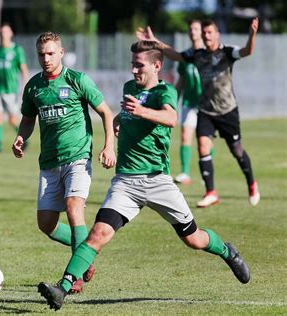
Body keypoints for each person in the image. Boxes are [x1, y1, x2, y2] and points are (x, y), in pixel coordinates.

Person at [37, 41, 250, 311]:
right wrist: (116, 126)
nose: (134, 69)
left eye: (139, 64)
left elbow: (171, 118)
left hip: (158, 181)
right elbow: (124, 116)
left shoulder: (165, 91)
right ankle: (63, 288)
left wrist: (141, 111)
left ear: (157, 66)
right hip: (125, 182)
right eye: (132, 64)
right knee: (98, 233)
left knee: (193, 239)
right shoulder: (129, 89)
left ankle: (226, 250)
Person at [12, 32, 116, 293]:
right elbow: (27, 119)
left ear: (61, 52)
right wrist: (21, 138)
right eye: (41, 54)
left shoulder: (78, 80)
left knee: (73, 208)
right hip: (48, 163)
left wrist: (108, 145)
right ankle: (84, 252)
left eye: (50, 53)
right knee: (46, 224)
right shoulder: (34, 86)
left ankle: (76, 275)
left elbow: (105, 112)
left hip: (77, 157)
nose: (45, 59)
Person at [136, 18, 260, 208]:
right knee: (203, 147)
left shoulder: (227, 52)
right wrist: (155, 43)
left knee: (237, 151)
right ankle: (211, 192)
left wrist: (252, 35)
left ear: (217, 34)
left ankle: (251, 183)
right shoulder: (197, 54)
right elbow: (175, 55)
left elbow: (247, 51)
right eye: (204, 33)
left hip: (227, 111)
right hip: (206, 110)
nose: (206, 36)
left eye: (210, 32)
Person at [173, 20, 203, 185]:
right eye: (190, 28)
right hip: (188, 103)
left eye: (196, 29)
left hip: (205, 104)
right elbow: (181, 81)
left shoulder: (207, 54)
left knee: (204, 140)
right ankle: (185, 172)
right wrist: (172, 101)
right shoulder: (185, 56)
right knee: (185, 136)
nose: (193, 31)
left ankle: (207, 173)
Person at [0, 23, 29, 152]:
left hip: (11, 89)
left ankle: (24, 138)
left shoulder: (17, 50)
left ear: (11, 34)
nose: (3, 34)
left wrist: (25, 86)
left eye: (5, 32)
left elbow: (23, 69)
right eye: (1, 32)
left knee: (12, 120)